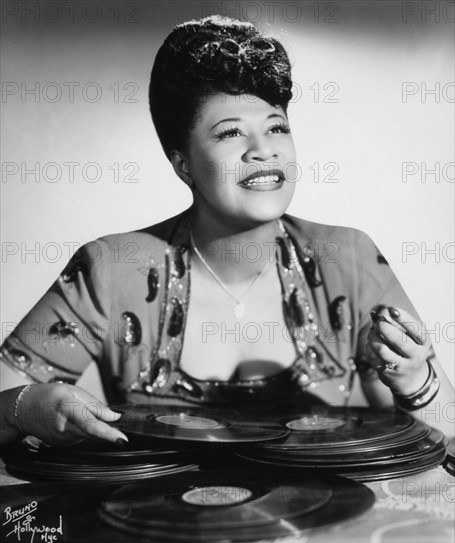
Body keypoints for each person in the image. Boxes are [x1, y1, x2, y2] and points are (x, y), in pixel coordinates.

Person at [0, 15, 453, 448]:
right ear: (183, 164)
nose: (262, 151)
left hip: (326, 523)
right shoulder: (108, 269)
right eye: (230, 133)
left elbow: (446, 437)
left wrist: (416, 382)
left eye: (276, 127)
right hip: (160, 527)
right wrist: (26, 405)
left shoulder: (347, 258)